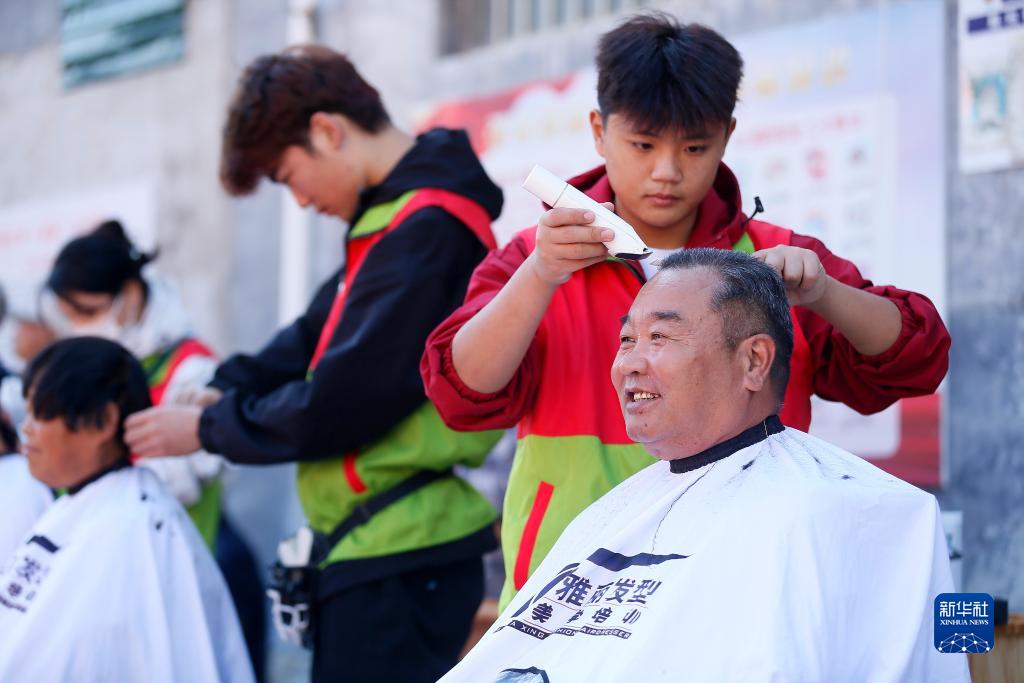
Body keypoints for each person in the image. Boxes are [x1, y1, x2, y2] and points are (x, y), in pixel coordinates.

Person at [421, 13, 951, 607]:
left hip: (737, 589)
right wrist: (541, 274)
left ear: (727, 134)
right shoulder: (535, 258)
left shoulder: (775, 257)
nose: (667, 171)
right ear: (599, 130)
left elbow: (917, 358)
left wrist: (826, 293)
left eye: (695, 147)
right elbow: (460, 391)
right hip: (570, 597)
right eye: (643, 145)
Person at [124, 45, 504, 682]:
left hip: (404, 553)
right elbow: (308, 337)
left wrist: (208, 428)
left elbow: (343, 401)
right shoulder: (392, 221)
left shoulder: (428, 228)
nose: (299, 201)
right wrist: (218, 386)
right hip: (377, 546)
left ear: (327, 131)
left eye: (287, 176)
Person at [442, 248, 968, 683]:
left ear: (754, 361)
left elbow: (953, 643)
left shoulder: (843, 509)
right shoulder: (607, 517)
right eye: (627, 339)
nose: (629, 363)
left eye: (661, 338)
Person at [0, 338, 253, 683]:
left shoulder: (135, 530)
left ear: (104, 421)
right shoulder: (80, 508)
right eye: (26, 411)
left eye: (41, 413)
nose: (26, 428)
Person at [40, 219, 223, 545]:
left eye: (88, 312)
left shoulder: (193, 368)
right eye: (69, 318)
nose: (79, 328)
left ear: (130, 294)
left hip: (166, 552)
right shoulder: (93, 365)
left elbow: (188, 477)